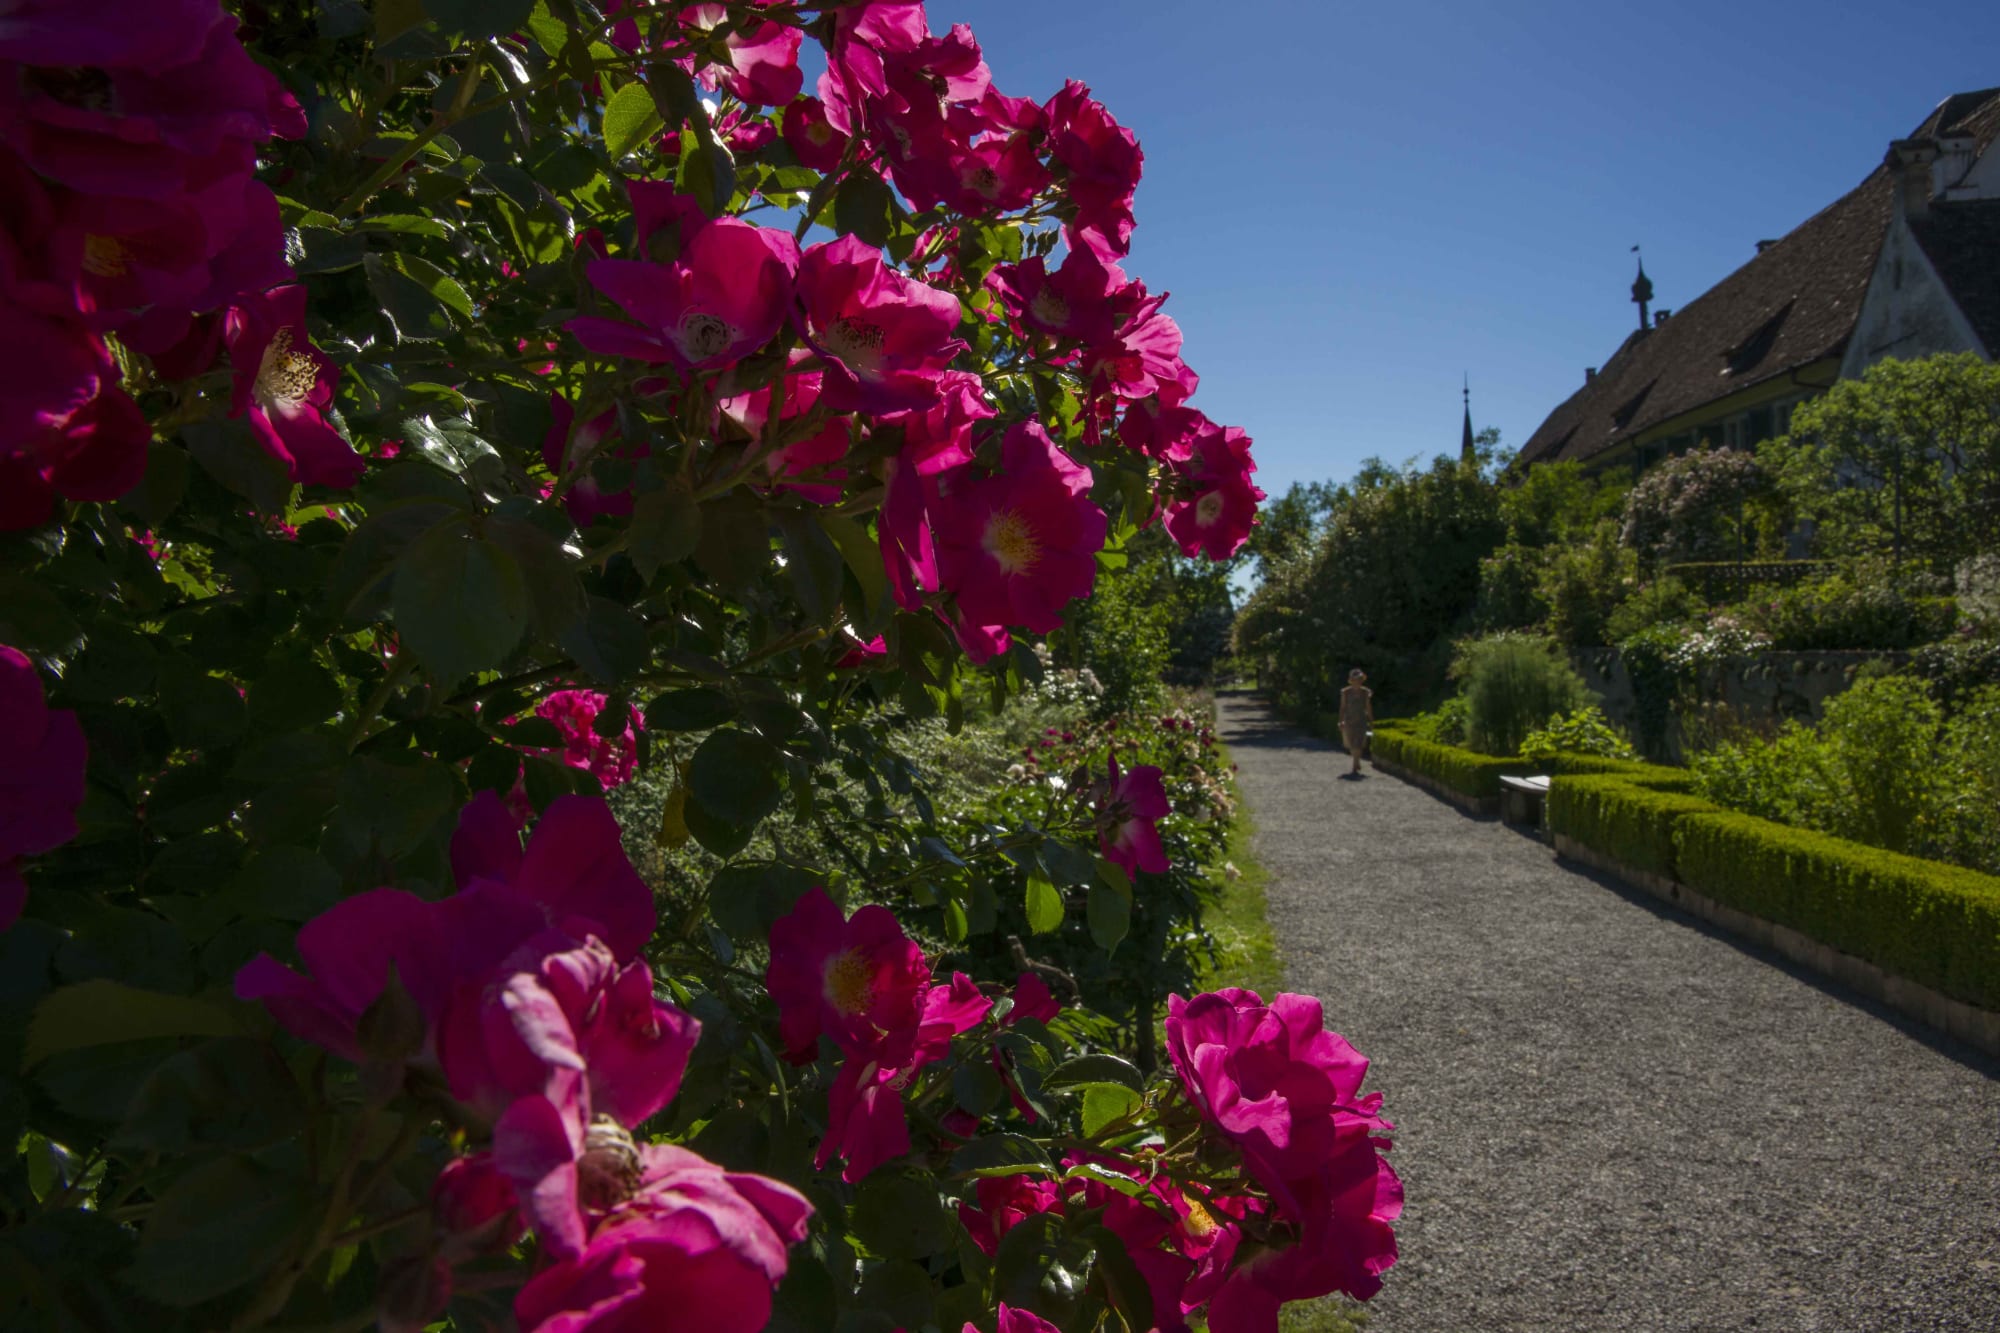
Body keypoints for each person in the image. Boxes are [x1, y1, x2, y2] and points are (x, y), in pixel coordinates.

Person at [1338, 668, 1372, 776]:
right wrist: (1340, 721)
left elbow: (1368, 707)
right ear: (1351, 680)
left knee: (1359, 743)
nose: (1358, 681)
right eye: (1356, 679)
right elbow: (1342, 707)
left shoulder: (1365, 692)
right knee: (1352, 743)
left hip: (1361, 720)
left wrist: (1371, 720)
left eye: (1359, 679)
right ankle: (1357, 761)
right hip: (1349, 720)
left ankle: (1355, 764)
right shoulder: (1345, 692)